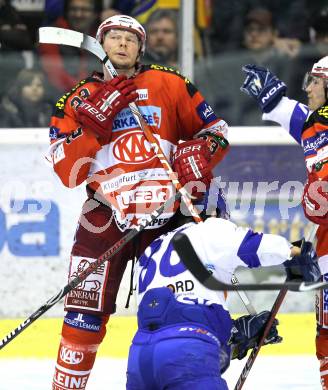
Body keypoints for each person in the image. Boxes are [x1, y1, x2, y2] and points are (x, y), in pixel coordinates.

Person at [48, 14, 230, 389]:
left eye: (131, 38)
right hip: (104, 214)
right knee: (82, 315)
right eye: (114, 37)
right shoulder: (78, 97)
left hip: (167, 215)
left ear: (140, 47)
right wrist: (93, 126)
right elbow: (67, 173)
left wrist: (200, 152)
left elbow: (216, 132)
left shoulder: (170, 82)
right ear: (102, 44)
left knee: (178, 311)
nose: (123, 44)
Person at [127, 184, 320, 389]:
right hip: (190, 351)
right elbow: (251, 246)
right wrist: (295, 252)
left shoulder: (150, 251)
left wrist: (237, 338)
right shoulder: (209, 229)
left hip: (139, 357)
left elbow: (170, 323)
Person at [240, 56, 328, 388]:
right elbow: (299, 119)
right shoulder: (315, 124)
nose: (308, 87)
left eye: (315, 81)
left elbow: (318, 202)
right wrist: (274, 101)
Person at [39, 0, 102, 96]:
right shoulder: (51, 35)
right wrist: (82, 94)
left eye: (85, 10)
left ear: (95, 14)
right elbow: (55, 76)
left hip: (96, 98)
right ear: (66, 13)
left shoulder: (102, 37)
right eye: (73, 9)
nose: (78, 14)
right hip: (60, 98)